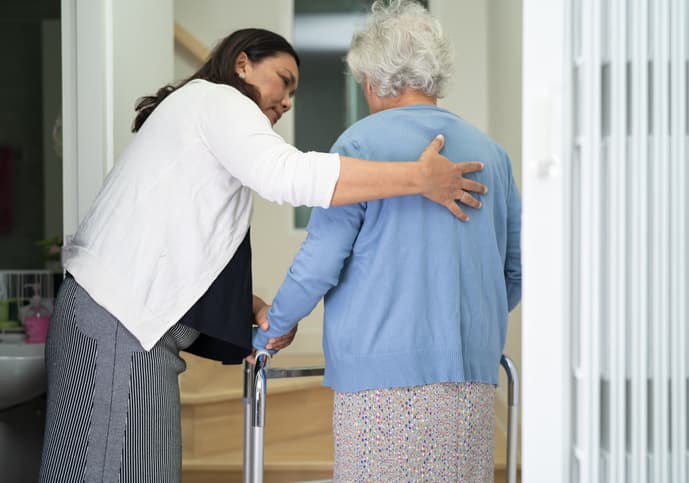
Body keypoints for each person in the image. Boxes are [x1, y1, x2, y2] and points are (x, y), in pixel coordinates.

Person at [37, 27, 486, 482]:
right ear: (242, 64)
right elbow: (287, 175)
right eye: (283, 80)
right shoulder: (218, 100)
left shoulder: (203, 115)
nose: (288, 100)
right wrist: (419, 178)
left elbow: (187, 244)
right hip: (118, 321)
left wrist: (253, 308)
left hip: (120, 321)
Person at [252, 2, 522, 481]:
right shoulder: (491, 154)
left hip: (381, 384)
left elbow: (319, 260)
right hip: (473, 377)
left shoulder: (360, 146)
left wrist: (275, 323)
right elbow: (514, 271)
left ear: (373, 81)